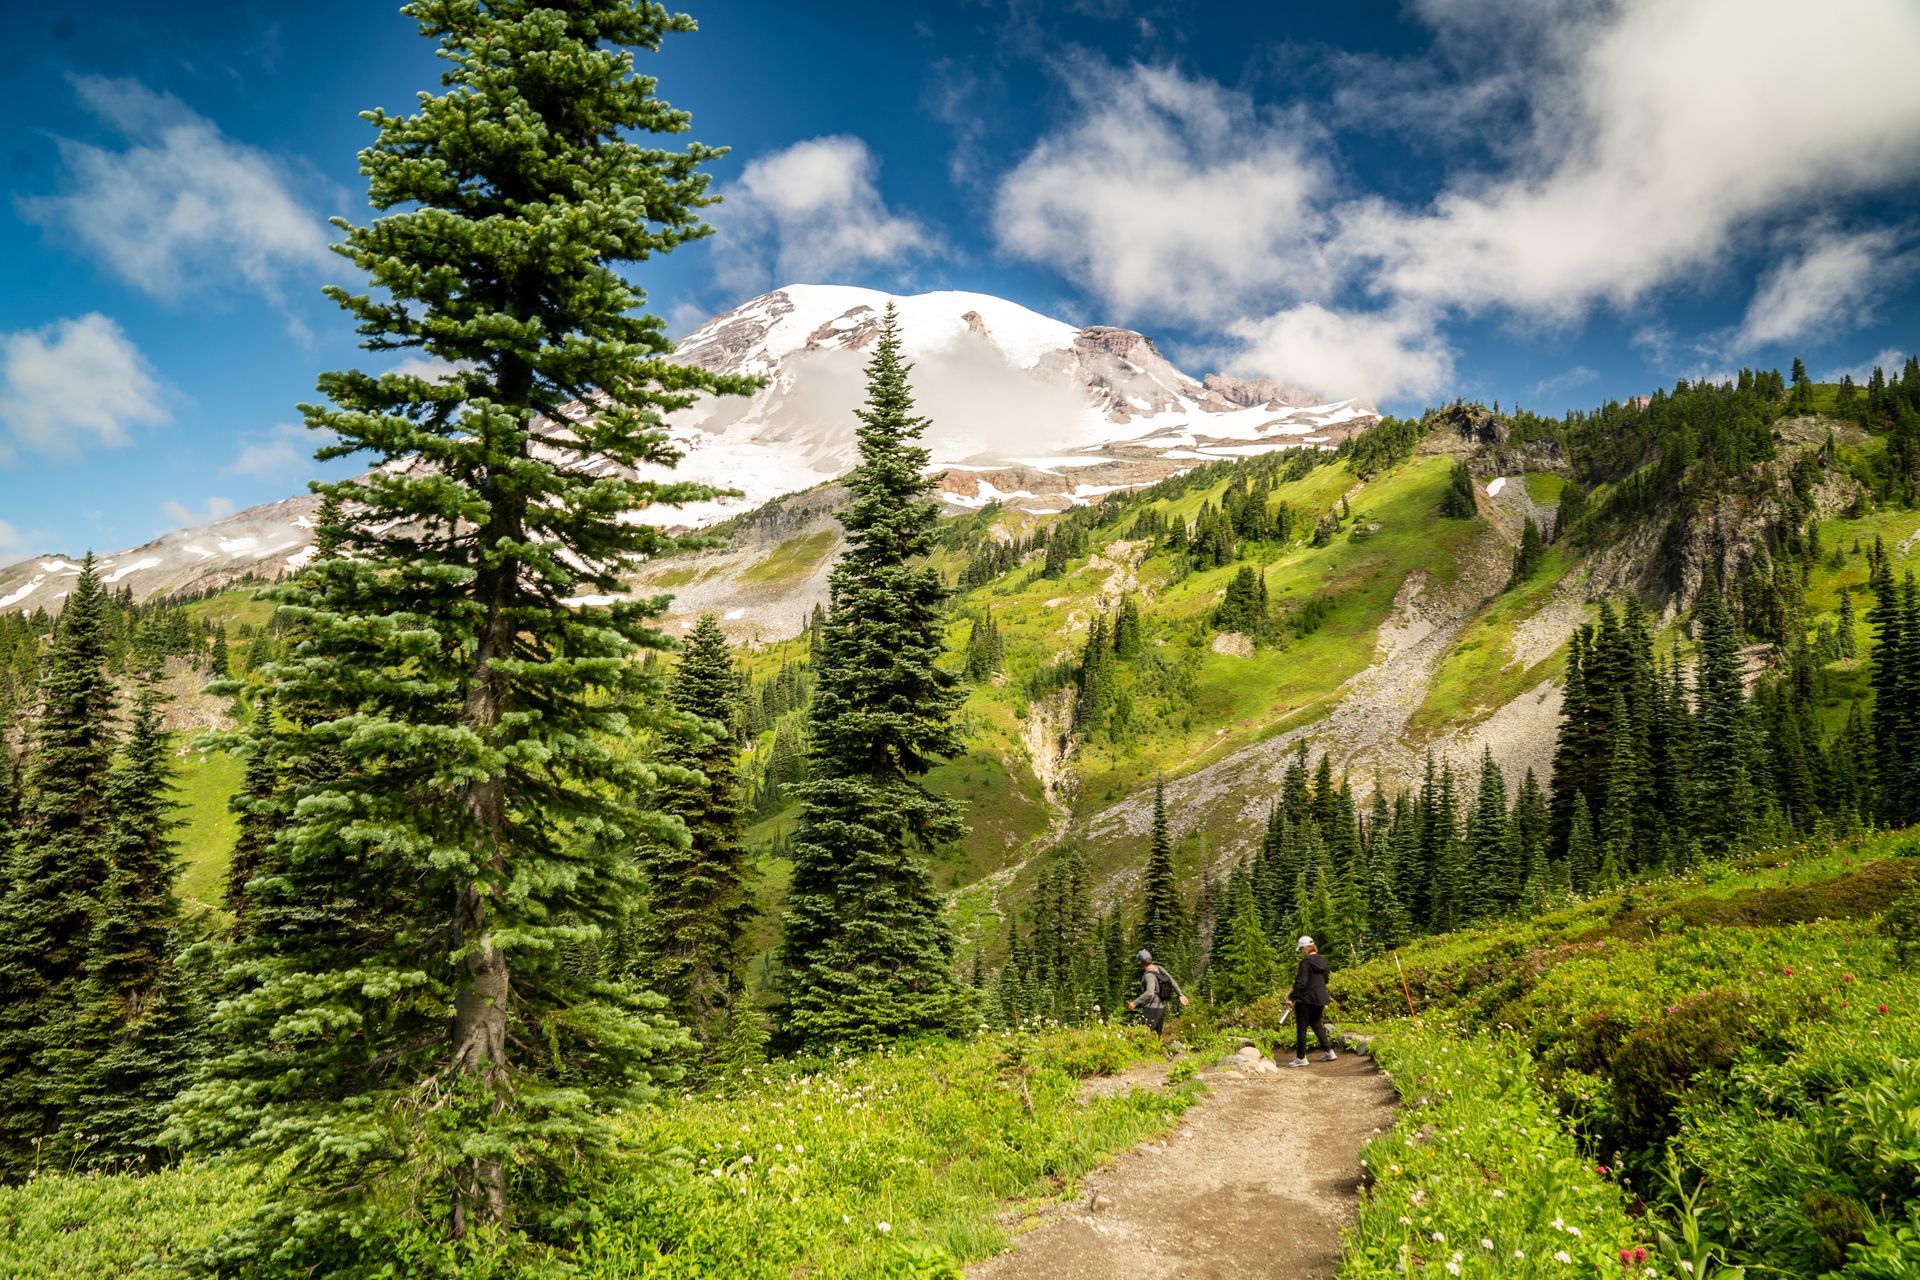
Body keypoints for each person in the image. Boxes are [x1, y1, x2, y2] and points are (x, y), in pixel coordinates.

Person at [1283, 935, 1335, 1067]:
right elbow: (1326, 980)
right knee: (1316, 1023)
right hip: (1321, 998)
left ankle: (1301, 1058)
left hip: (1305, 999)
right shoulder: (1323, 961)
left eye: (1301, 949)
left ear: (1306, 948)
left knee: (1302, 1028)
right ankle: (1329, 1051)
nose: (1301, 951)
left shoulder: (1305, 962)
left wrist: (1291, 997)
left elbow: (1301, 982)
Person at [1125, 949, 1189, 1035]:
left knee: (1144, 1035)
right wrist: (1180, 994)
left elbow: (1150, 992)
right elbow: (1171, 980)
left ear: (1141, 962)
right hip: (1161, 1008)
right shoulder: (1159, 968)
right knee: (1157, 1036)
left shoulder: (1149, 975)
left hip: (1151, 1009)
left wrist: (1134, 1003)